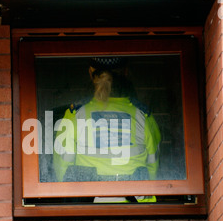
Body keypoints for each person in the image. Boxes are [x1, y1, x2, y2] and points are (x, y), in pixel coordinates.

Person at [53, 57, 161, 202]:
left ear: (91, 72)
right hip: (137, 210)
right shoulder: (143, 115)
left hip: (87, 211)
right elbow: (153, 167)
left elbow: (62, 166)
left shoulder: (76, 114)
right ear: (126, 72)